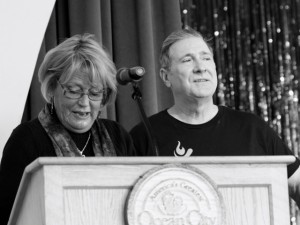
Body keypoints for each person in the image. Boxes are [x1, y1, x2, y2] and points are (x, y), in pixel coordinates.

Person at [130, 28, 300, 206]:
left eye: (206, 58)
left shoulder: (252, 128)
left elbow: (296, 183)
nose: (200, 67)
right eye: (188, 60)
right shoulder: (144, 136)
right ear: (166, 77)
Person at [0, 33, 136, 224]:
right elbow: (11, 216)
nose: (84, 103)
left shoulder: (117, 136)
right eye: (73, 90)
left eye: (95, 93)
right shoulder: (25, 140)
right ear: (51, 88)